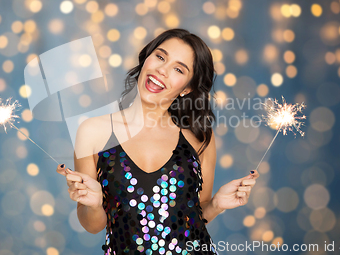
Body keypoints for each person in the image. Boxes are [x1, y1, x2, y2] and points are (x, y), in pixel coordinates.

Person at [57, 28, 260, 254]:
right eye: (160, 56)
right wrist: (93, 204)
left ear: (188, 88)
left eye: (178, 69)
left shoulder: (199, 137)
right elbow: (92, 225)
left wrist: (216, 205)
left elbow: (193, 218)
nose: (162, 70)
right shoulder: (92, 132)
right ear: (146, 58)